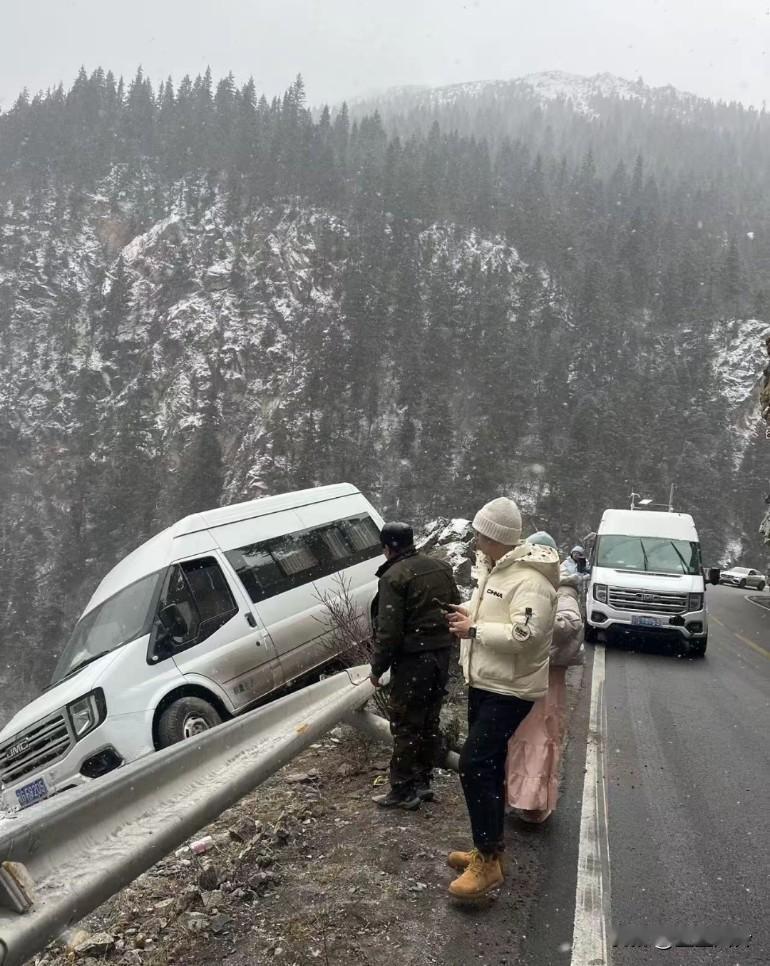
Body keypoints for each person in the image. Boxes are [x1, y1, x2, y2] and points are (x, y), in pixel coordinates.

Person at [445, 498, 559, 900]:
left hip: (509, 689)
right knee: (487, 767)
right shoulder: (497, 571)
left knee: (474, 763)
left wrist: (473, 629)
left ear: (496, 538)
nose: (475, 540)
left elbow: (523, 637)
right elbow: (495, 617)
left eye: (480, 534)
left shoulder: (532, 582)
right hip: (487, 682)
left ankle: (489, 862)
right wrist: (466, 613)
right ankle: (488, 850)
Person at [369, 521, 461, 811]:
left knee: (406, 724)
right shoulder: (440, 567)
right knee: (429, 720)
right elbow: (455, 608)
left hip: (412, 662)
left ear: (387, 548)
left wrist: (377, 668)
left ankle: (402, 790)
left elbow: (389, 631)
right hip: (440, 655)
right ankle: (423, 781)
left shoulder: (394, 577)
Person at [505, 532, 585, 823]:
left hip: (547, 679)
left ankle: (534, 803)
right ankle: (519, 797)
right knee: (521, 738)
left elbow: (570, 626)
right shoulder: (534, 584)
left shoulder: (562, 589)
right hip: (527, 676)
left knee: (539, 739)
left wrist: (535, 624)